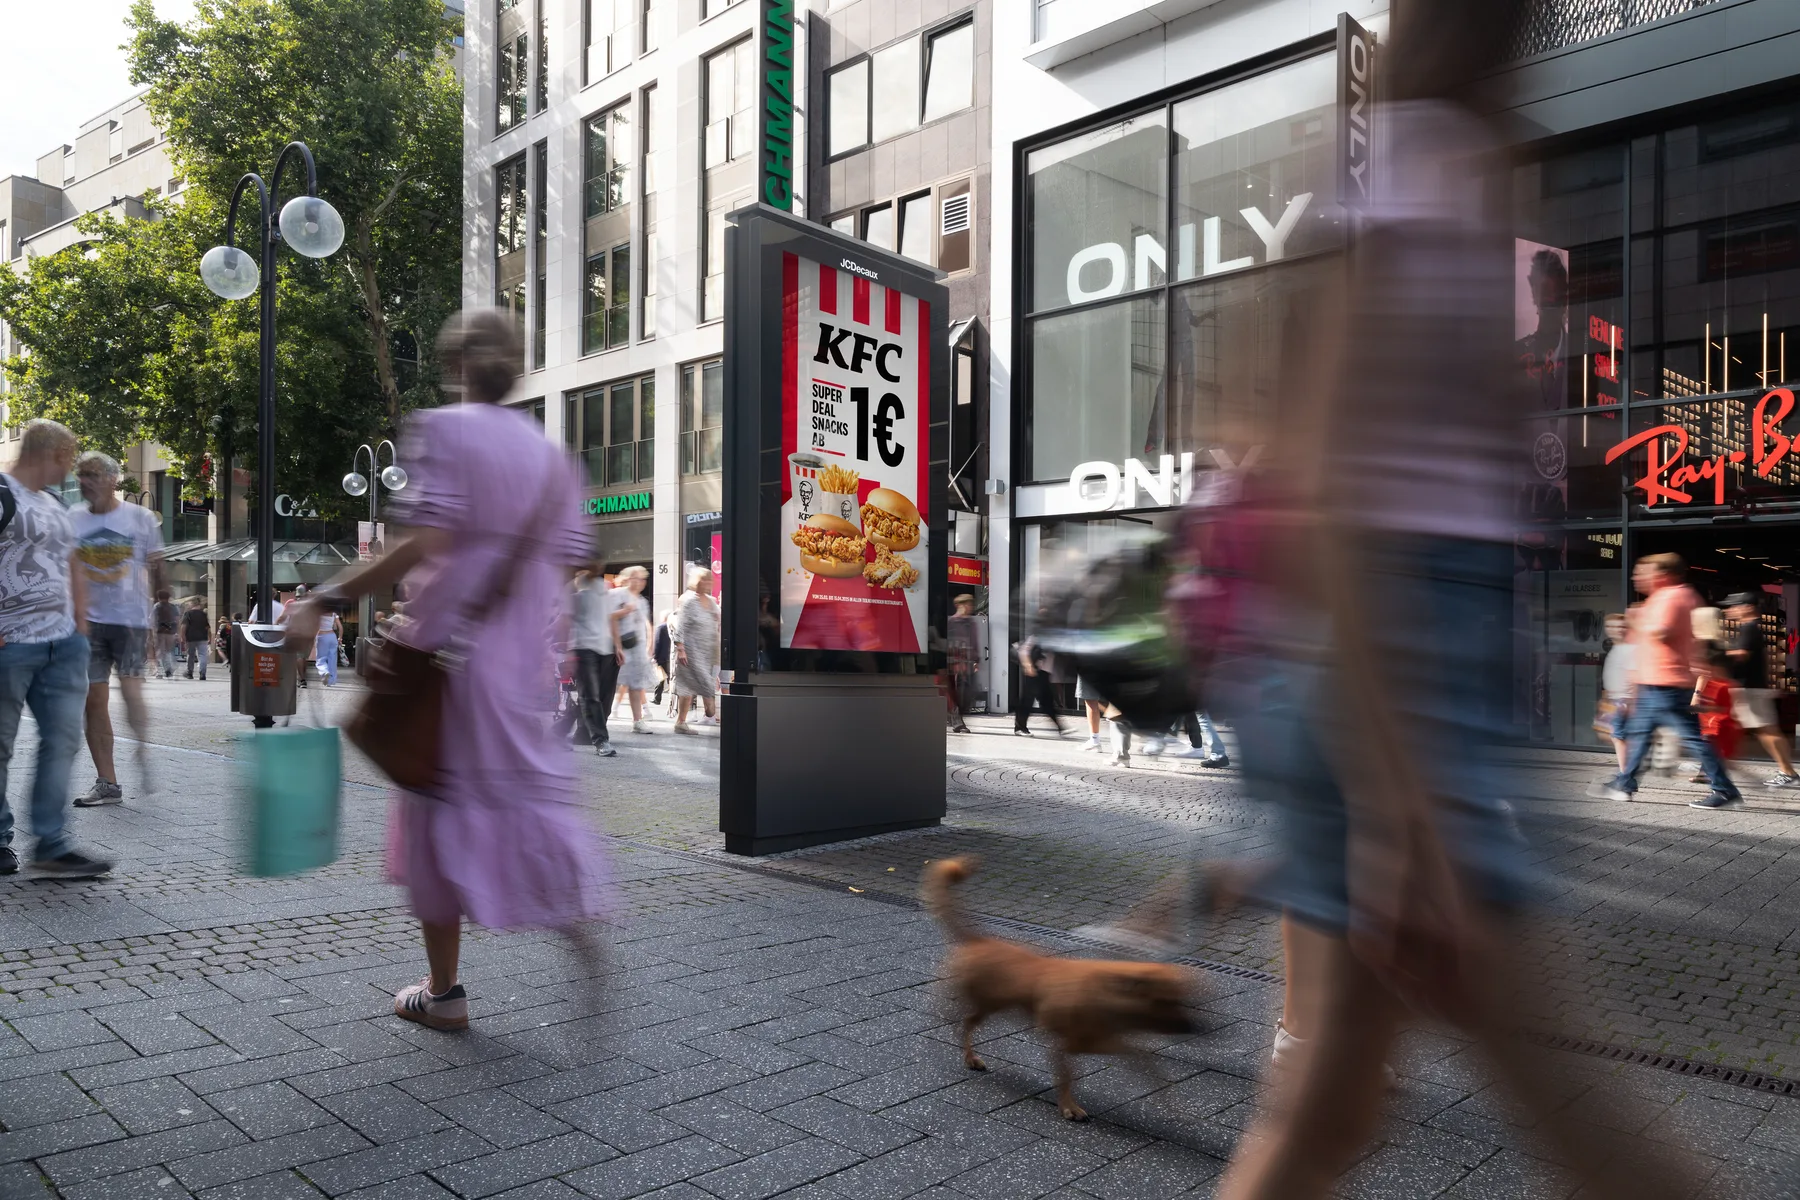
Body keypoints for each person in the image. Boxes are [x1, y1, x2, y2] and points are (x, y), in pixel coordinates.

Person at [282, 309, 606, 1031]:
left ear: (456, 364)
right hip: (520, 667)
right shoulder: (554, 459)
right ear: (515, 367)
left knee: (432, 810)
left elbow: (423, 542)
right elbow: (566, 562)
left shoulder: (446, 430)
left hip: (449, 662)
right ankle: (567, 911)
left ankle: (445, 990)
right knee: (518, 800)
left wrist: (329, 598)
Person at [0, 421, 113, 878]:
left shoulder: (54, 504)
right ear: (50, 452)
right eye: (69, 458)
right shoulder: (3, 493)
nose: (71, 469)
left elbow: (73, 568)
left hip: (63, 644)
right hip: (11, 644)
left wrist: (80, 631)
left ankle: (51, 843)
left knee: (62, 743)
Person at [1589, 555, 1741, 810]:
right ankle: (1624, 783)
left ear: (1663, 574)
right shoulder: (1667, 597)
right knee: (1640, 735)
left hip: (1665, 684)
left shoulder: (1672, 597)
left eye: (1642, 572)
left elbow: (1662, 632)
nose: (1636, 577)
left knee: (1691, 739)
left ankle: (1725, 790)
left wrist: (1638, 621)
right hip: (1655, 683)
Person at [70, 451, 162, 806]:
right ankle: (107, 782)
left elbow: (157, 567)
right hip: (88, 623)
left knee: (131, 693)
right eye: (81, 475)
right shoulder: (72, 519)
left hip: (131, 623)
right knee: (93, 699)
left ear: (112, 479)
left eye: (92, 475)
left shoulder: (139, 518)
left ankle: (141, 747)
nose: (84, 482)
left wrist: (159, 619)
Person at [1723, 592, 1798, 787]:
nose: (1729, 610)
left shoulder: (1749, 628)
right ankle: (1712, 768)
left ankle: (1787, 772)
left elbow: (1741, 655)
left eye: (1733, 606)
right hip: (1750, 688)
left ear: (1747, 606)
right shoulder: (1751, 628)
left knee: (1767, 731)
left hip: (1751, 689)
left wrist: (1716, 653)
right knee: (1761, 730)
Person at [568, 568, 625, 755]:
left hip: (606, 651)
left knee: (601, 697)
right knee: (591, 697)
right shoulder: (577, 599)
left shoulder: (604, 597)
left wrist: (617, 646)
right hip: (585, 652)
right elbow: (566, 624)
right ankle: (599, 739)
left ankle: (579, 733)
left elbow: (612, 622)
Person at [671, 566, 720, 734]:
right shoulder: (689, 600)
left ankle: (682, 722)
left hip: (709, 652)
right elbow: (681, 624)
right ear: (696, 581)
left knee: (691, 686)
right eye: (703, 579)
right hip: (692, 650)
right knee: (698, 686)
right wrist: (680, 648)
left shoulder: (712, 601)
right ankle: (707, 714)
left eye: (709, 579)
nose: (707, 583)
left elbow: (720, 621)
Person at [613, 565, 657, 732]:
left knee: (636, 684)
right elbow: (609, 619)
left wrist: (649, 647)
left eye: (642, 579)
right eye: (636, 578)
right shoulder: (616, 595)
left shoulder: (642, 601)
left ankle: (637, 720)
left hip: (636, 648)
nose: (640, 582)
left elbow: (646, 625)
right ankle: (603, 715)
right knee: (612, 684)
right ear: (628, 579)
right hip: (617, 648)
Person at [1597, 612, 1635, 773]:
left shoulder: (1628, 649)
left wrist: (1631, 701)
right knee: (1612, 735)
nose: (1616, 630)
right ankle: (1626, 771)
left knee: (1618, 737)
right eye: (1611, 626)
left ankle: (1625, 774)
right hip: (1613, 700)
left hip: (1624, 700)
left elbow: (1635, 676)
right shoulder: (1616, 649)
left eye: (1620, 626)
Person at [1013, 634, 1065, 738]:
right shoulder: (1038, 636)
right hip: (1033, 672)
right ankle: (1020, 728)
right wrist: (1029, 666)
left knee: (1047, 701)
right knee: (1027, 701)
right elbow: (1023, 651)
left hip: (1043, 673)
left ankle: (1061, 727)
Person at [947, 594, 978, 733]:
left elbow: (975, 642)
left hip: (968, 662)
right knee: (957, 693)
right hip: (955, 663)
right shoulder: (951, 622)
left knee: (967, 695)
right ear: (960, 605)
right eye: (968, 605)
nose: (970, 608)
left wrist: (976, 660)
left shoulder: (972, 623)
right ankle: (958, 723)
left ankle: (954, 718)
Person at [151, 588, 180, 678]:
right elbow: (177, 620)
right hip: (171, 631)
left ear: (159, 597)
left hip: (160, 631)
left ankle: (166, 669)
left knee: (161, 651)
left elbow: (152, 619)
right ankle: (172, 665)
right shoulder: (173, 607)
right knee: (170, 650)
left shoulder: (157, 606)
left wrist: (153, 631)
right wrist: (177, 631)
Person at [182, 598, 211, 681]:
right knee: (202, 655)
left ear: (192, 604)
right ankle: (202, 674)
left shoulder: (188, 613)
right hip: (202, 637)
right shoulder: (204, 614)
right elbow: (207, 627)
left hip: (191, 637)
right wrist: (209, 637)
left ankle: (189, 673)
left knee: (190, 655)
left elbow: (184, 626)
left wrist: (182, 636)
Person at [313, 608, 343, 686]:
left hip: (322, 636)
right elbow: (340, 627)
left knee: (321, 658)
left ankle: (324, 672)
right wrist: (340, 638)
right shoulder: (334, 614)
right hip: (332, 636)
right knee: (332, 659)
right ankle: (331, 681)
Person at [652, 608, 673, 706]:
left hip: (662, 657)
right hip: (670, 656)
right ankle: (672, 698)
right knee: (670, 678)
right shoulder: (672, 626)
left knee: (660, 677)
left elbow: (657, 642)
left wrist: (654, 656)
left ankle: (657, 698)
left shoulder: (661, 627)